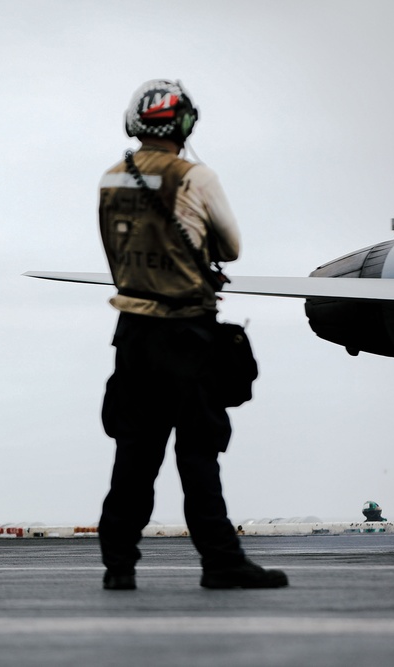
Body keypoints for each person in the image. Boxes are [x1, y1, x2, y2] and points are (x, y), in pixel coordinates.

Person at [96, 80, 288, 590]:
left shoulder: (112, 178)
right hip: (187, 335)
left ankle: (118, 565)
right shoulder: (194, 176)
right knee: (198, 453)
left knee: (134, 454)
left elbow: (114, 255)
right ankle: (221, 561)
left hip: (133, 336)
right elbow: (231, 245)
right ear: (183, 124)